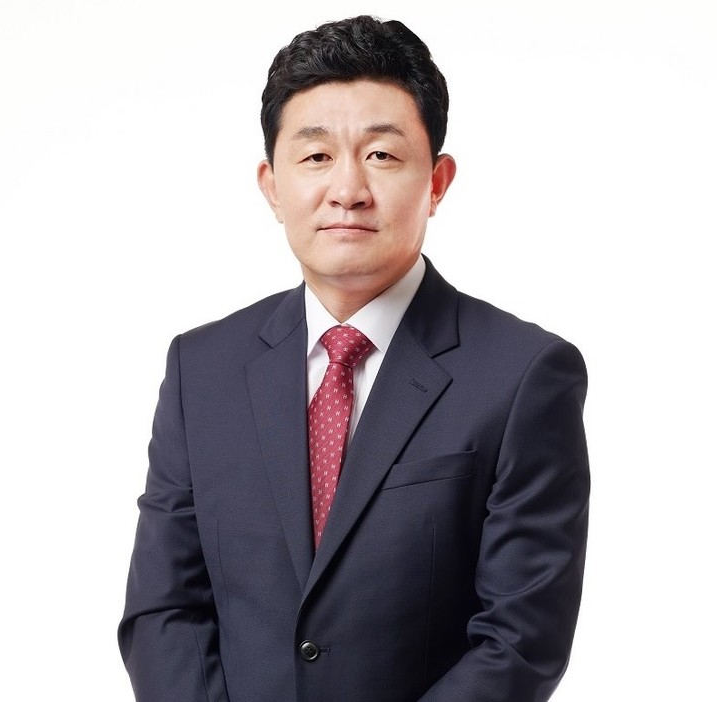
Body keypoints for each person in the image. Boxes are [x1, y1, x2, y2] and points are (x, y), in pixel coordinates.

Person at [118, 14, 590, 702]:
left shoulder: (523, 375)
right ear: (271, 185)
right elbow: (164, 611)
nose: (347, 189)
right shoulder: (202, 369)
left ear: (437, 181)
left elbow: (520, 640)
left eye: (382, 155)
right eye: (315, 157)